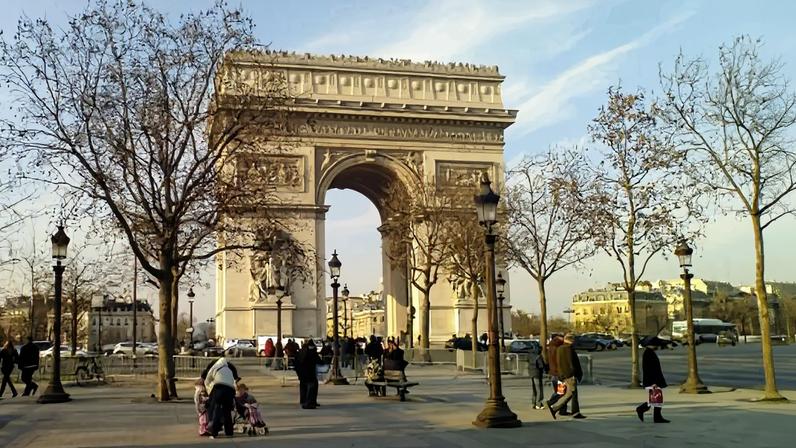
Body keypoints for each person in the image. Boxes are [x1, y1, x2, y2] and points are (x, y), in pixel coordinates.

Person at [547, 334, 585, 419]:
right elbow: (570, 363)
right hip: (565, 375)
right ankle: (554, 406)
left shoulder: (555, 348)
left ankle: (559, 409)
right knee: (568, 393)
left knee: (562, 392)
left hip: (558, 374)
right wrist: (572, 373)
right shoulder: (566, 349)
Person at [202, 356, 240, 439]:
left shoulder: (215, 366)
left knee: (217, 409)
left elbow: (207, 380)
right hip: (230, 390)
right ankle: (229, 432)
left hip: (219, 389)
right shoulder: (229, 369)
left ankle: (214, 432)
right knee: (227, 411)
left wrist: (209, 391)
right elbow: (234, 380)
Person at [636, 337, 670, 423]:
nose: (657, 346)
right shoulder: (648, 354)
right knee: (656, 398)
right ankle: (643, 410)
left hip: (654, 379)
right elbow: (649, 369)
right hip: (653, 380)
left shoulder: (650, 352)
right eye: (656, 345)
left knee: (656, 398)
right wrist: (653, 382)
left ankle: (655, 416)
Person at [545, 334, 568, 415]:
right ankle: (551, 402)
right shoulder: (558, 349)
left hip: (554, 373)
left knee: (559, 392)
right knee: (561, 392)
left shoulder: (550, 348)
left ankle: (562, 409)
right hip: (559, 374)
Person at [295, 339, 320, 409]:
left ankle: (303, 400)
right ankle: (310, 403)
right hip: (310, 373)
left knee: (303, 387)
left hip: (301, 373)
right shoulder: (311, 352)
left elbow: (296, 362)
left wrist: (298, 372)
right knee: (312, 387)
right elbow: (319, 361)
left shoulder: (300, 352)